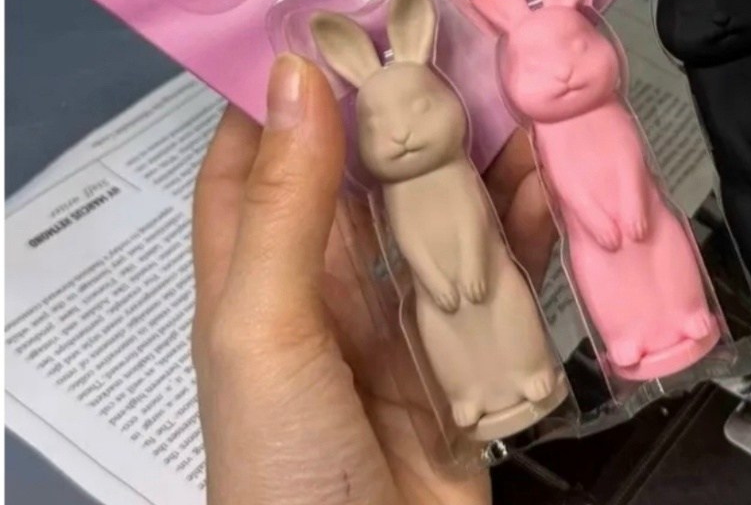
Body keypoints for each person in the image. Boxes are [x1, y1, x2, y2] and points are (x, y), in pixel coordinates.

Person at [191, 54, 557, 505]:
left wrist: (472, 262)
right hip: (439, 296)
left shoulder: (457, 173)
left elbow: (474, 223)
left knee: (508, 305)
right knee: (443, 334)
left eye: (419, 108)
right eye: (376, 124)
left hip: (485, 276)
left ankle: (529, 373)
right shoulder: (398, 194)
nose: (399, 133)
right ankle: (471, 397)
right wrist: (435, 279)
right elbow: (412, 241)